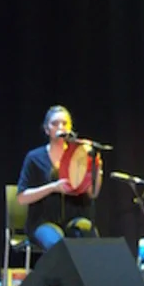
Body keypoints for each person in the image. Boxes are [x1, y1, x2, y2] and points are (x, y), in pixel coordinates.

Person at [15, 105, 101, 250]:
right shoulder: (34, 158)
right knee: (57, 246)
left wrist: (97, 168)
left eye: (64, 123)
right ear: (47, 129)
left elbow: (92, 193)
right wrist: (53, 187)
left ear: (70, 128)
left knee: (91, 240)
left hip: (74, 219)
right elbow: (21, 198)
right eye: (55, 124)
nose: (60, 127)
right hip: (43, 221)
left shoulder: (79, 156)